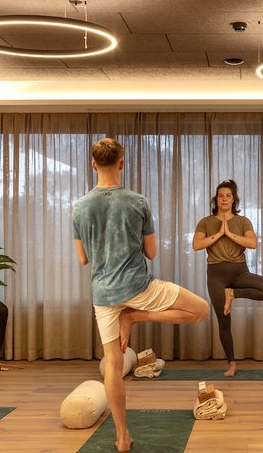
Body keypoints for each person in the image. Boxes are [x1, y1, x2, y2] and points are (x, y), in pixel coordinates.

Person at [73, 137, 208, 452]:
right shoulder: (138, 201)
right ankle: (135, 317)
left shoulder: (80, 206)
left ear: (93, 164)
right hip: (140, 288)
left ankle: (122, 436)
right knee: (200, 309)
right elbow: (150, 252)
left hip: (103, 294)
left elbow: (83, 259)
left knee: (113, 363)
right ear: (122, 163)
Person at [193, 179, 263, 376]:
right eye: (221, 195)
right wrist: (218, 233)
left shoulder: (242, 221)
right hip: (216, 274)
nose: (224, 198)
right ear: (216, 199)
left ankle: (233, 293)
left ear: (234, 199)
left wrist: (229, 233)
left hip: (240, 272)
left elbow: (252, 243)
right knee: (224, 320)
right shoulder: (206, 222)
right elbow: (197, 245)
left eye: (228, 195)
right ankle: (231, 364)